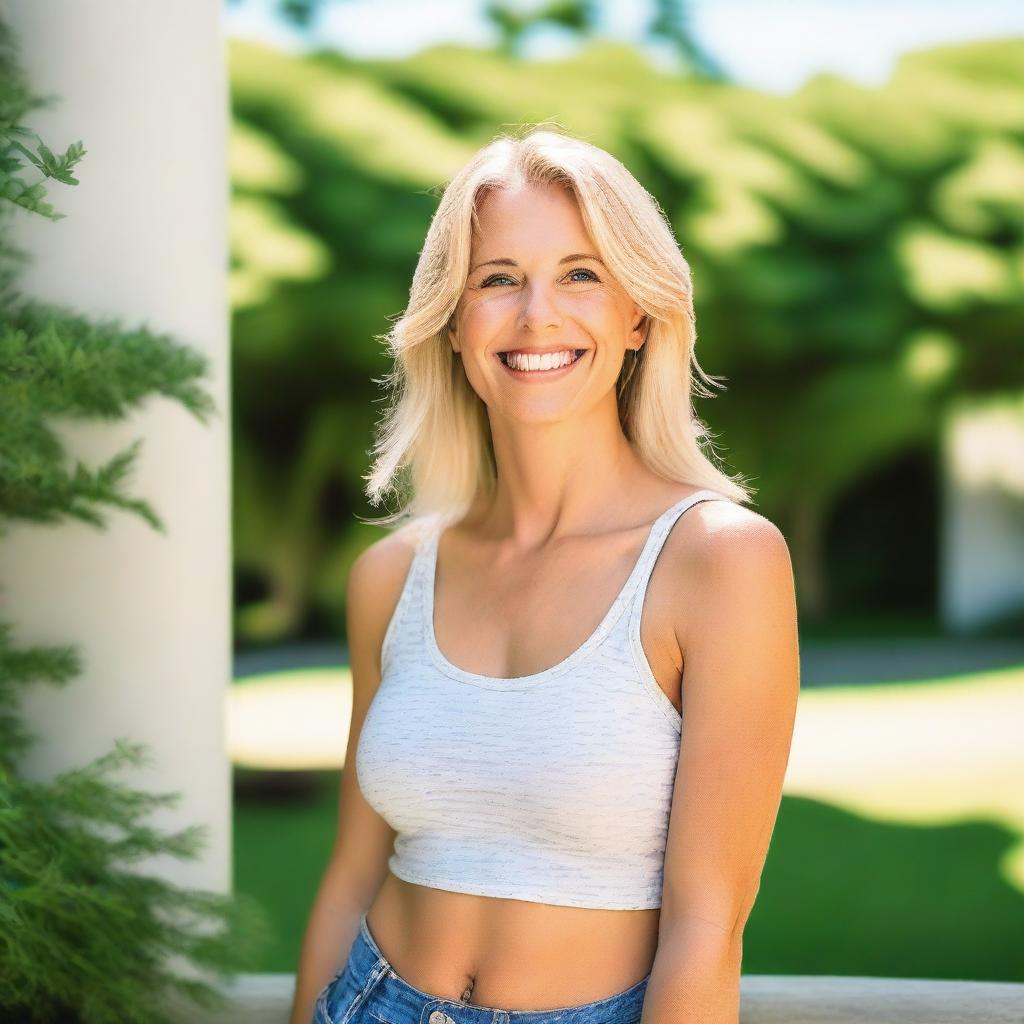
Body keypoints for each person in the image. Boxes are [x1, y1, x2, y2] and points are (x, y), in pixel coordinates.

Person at [289, 125, 800, 1024]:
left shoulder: (719, 560)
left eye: (580, 274)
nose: (537, 317)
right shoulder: (390, 576)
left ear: (638, 314)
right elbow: (350, 876)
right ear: (452, 322)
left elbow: (708, 925)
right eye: (496, 279)